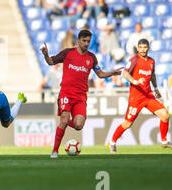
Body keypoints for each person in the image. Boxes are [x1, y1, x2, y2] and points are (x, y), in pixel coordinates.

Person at [40, 29, 123, 158]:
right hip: (66, 93)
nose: (86, 43)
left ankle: (66, 122)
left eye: (88, 41)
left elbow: (100, 74)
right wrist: (46, 54)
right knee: (64, 119)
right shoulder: (67, 53)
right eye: (83, 41)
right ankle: (55, 151)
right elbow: (51, 62)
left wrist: (112, 72)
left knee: (78, 125)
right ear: (78, 41)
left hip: (80, 96)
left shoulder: (91, 57)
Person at [109, 39, 172, 152]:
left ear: (148, 48)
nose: (142, 49)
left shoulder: (151, 61)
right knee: (127, 124)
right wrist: (134, 81)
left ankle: (164, 141)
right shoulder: (134, 60)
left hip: (148, 96)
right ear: (137, 48)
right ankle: (112, 142)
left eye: (144, 47)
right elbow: (125, 73)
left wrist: (155, 88)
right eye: (140, 47)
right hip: (136, 98)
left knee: (165, 115)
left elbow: (152, 75)